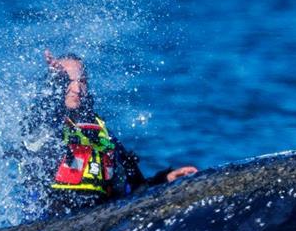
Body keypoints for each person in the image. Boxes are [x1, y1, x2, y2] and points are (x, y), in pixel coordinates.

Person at [18, 50, 197, 218]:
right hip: (48, 226)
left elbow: (133, 189)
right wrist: (54, 84)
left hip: (94, 223)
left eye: (82, 81)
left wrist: (164, 180)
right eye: (67, 81)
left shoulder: (101, 134)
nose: (77, 89)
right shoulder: (44, 126)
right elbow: (37, 119)